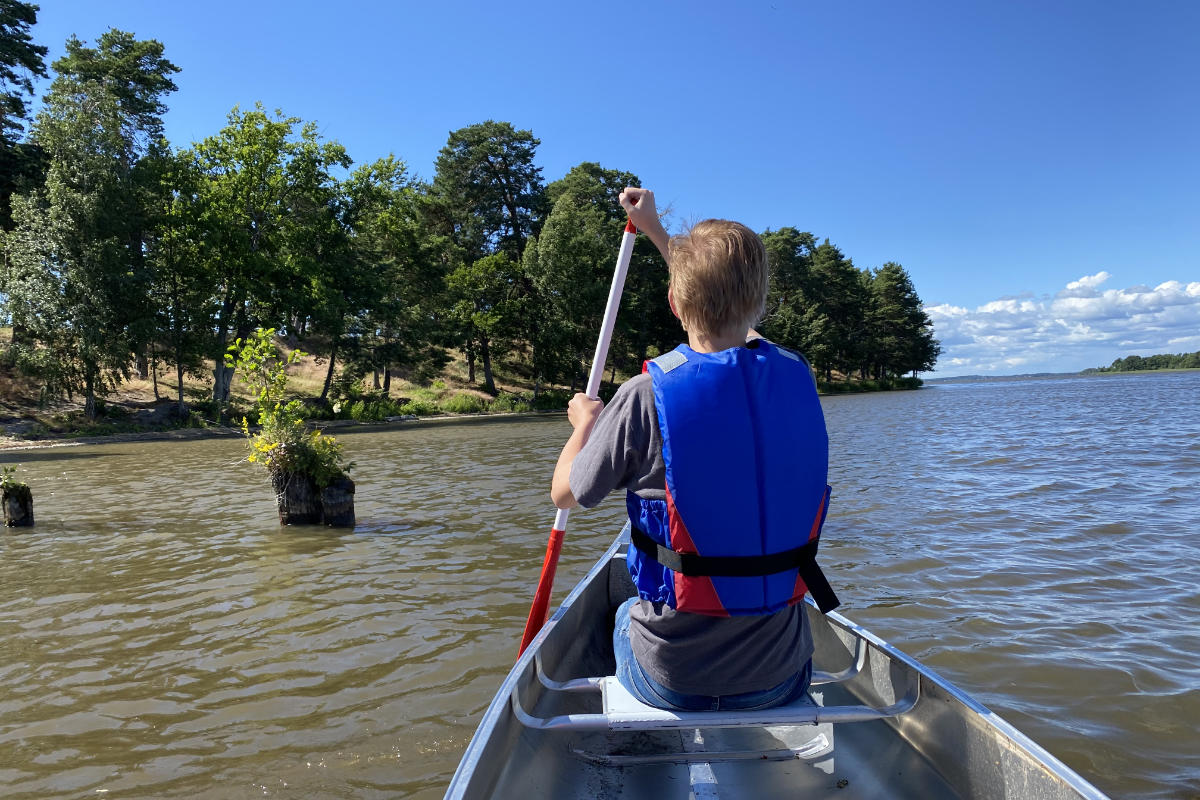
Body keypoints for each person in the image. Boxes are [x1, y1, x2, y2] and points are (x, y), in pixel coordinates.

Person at [550, 187, 839, 712]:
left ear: (673, 303)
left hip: (673, 680)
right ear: (759, 304)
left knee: (615, 611)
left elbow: (566, 494)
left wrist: (583, 426)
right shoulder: (796, 376)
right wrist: (660, 235)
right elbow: (730, 321)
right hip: (784, 676)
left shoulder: (643, 396)